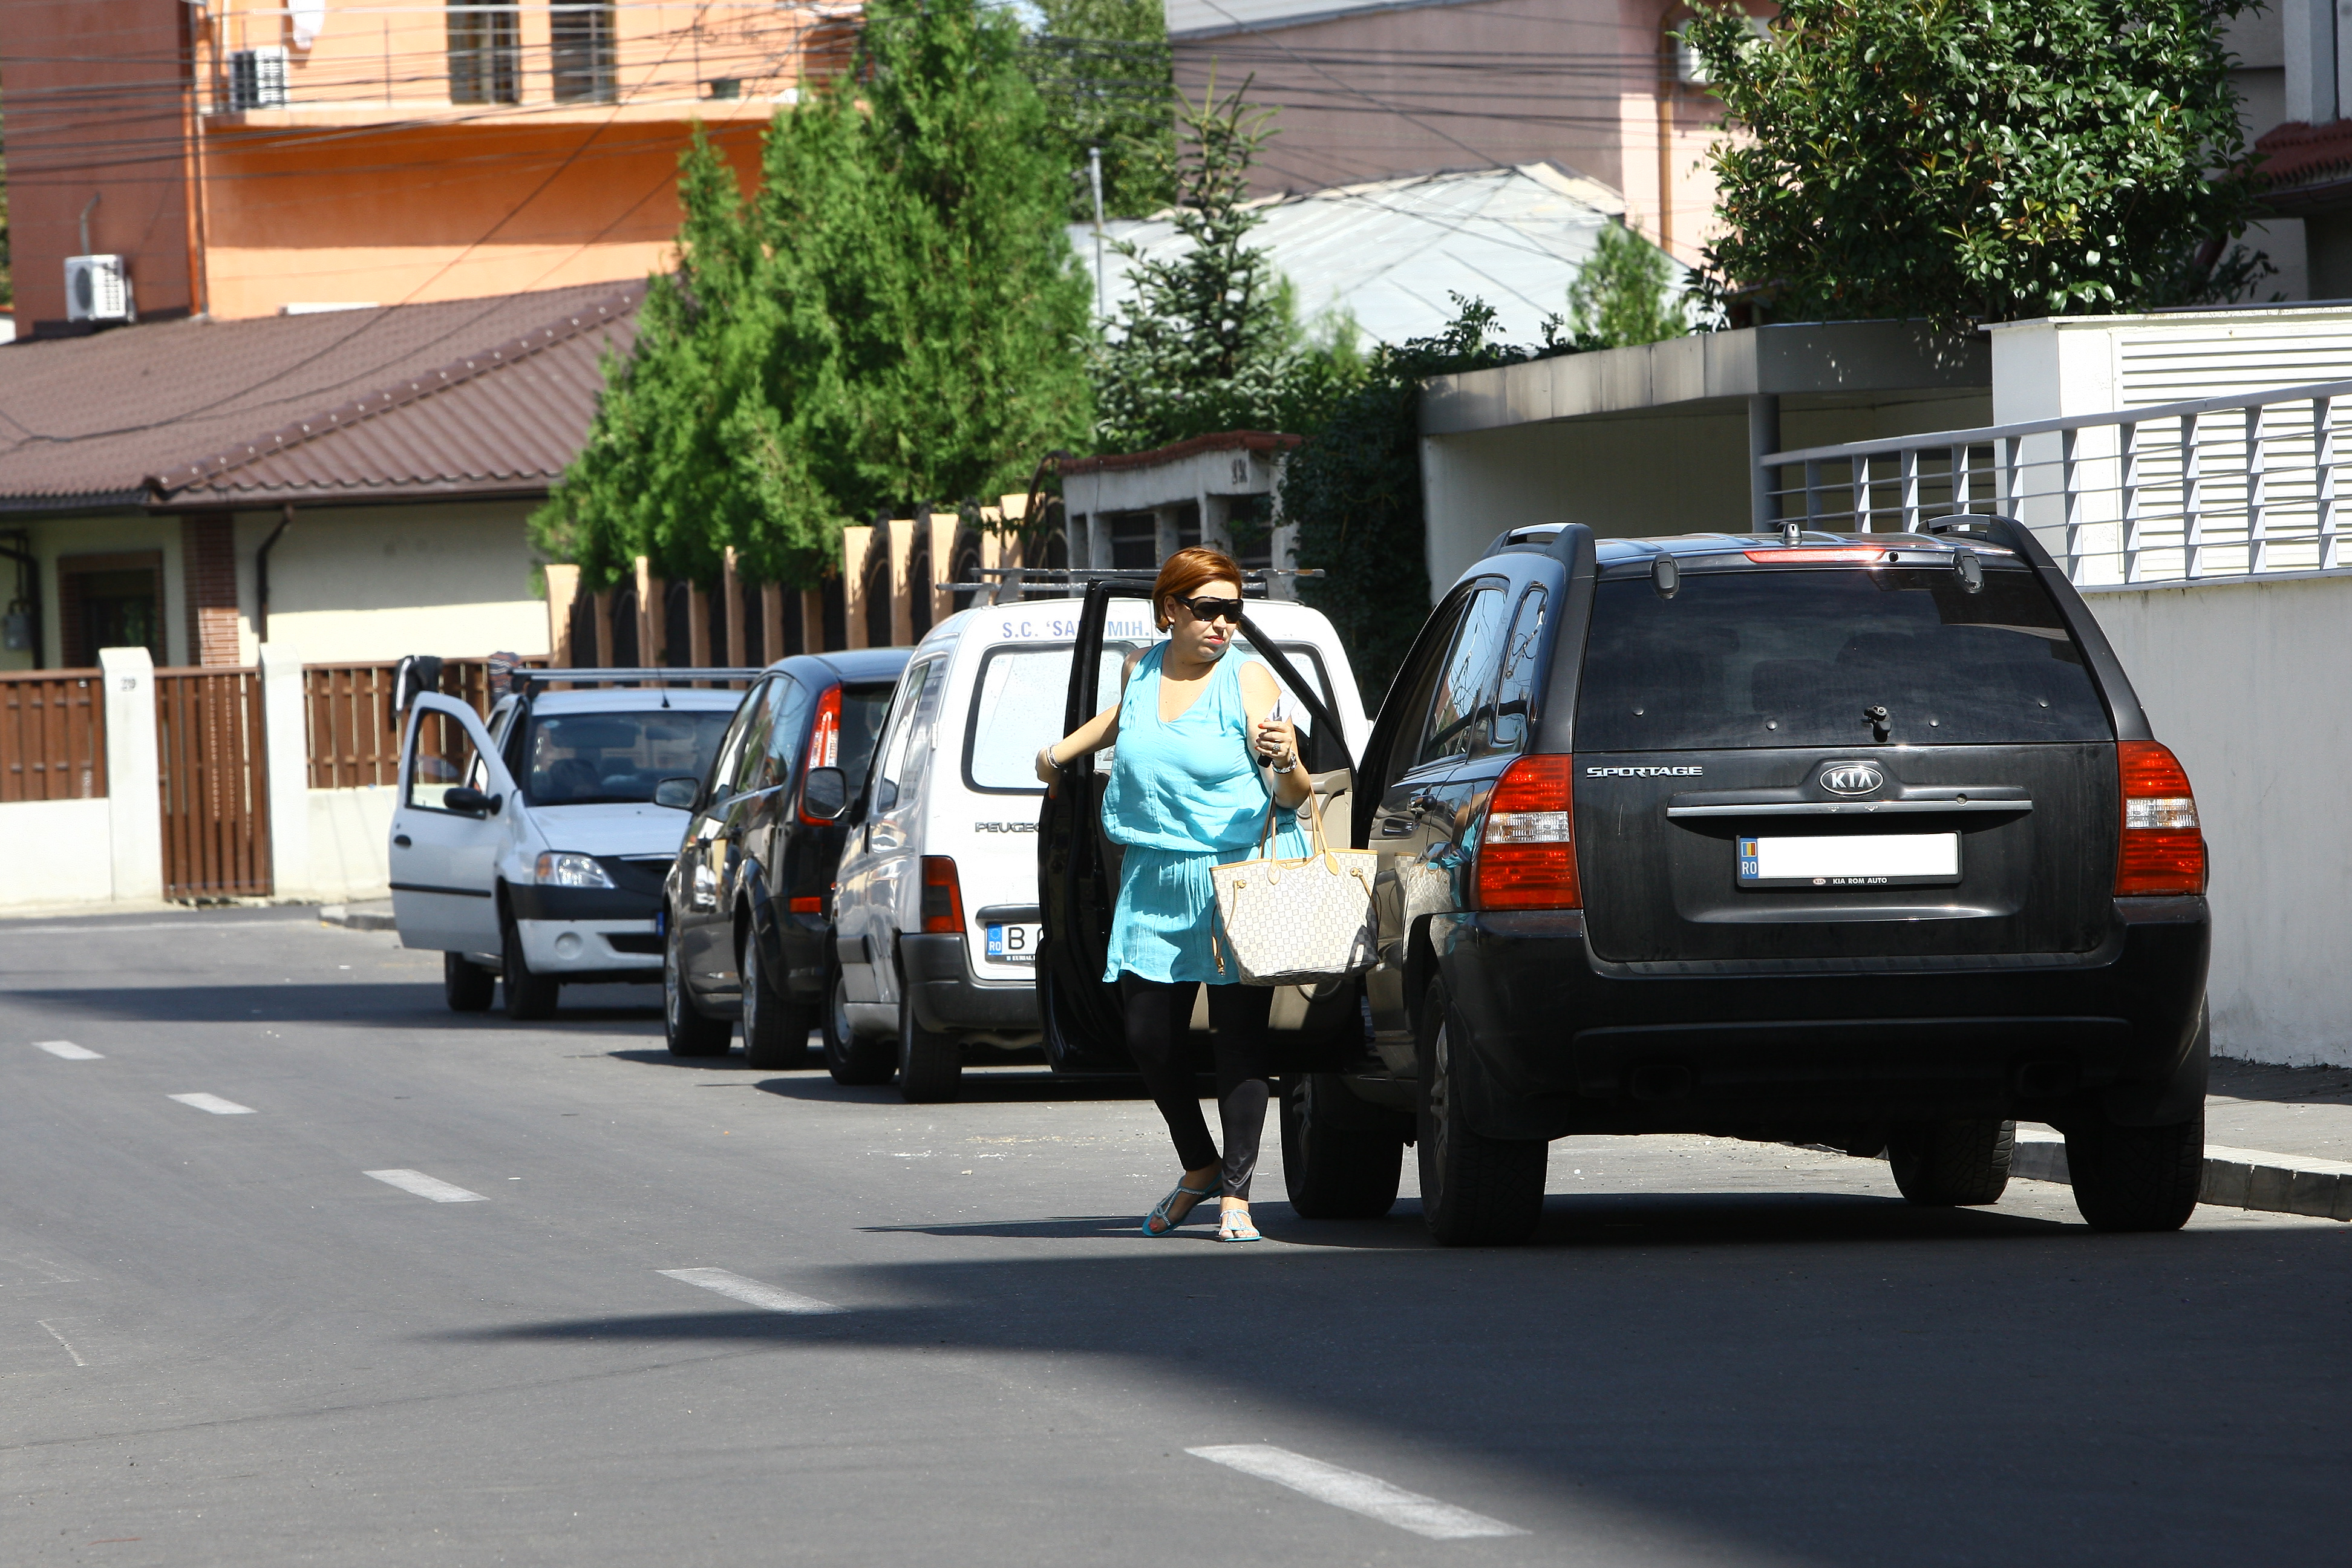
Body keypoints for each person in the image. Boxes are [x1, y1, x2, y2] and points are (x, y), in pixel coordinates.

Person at [1036, 548, 1312, 1243]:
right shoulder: (1141, 668)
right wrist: (1059, 753)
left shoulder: (1247, 680)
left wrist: (1287, 758)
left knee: (1238, 1041)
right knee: (1148, 1036)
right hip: (1153, 880)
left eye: (1234, 610)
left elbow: (1295, 793)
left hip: (1234, 878)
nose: (1223, 624)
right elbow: (1120, 719)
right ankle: (1200, 1165)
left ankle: (1238, 1198)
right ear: (1170, 611)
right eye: (1208, 609)